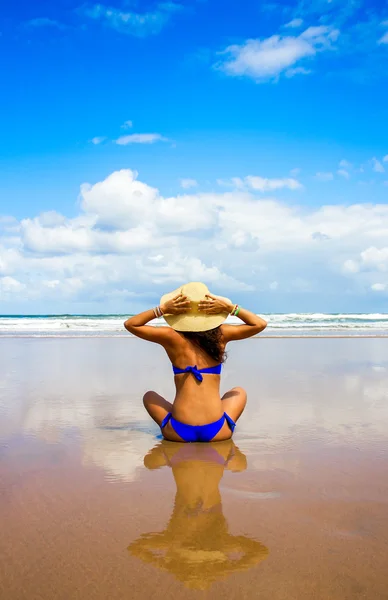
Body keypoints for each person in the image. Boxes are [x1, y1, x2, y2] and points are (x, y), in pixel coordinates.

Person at [124, 281, 267, 442]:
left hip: (178, 432)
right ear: (211, 311)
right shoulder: (221, 334)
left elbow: (131, 324)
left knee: (149, 396)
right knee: (239, 391)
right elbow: (259, 324)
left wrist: (162, 310)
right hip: (217, 431)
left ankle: (178, 424)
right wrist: (229, 308)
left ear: (178, 313)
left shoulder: (171, 337)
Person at [128, 440, 269, 589]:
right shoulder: (182, 540)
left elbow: (135, 548)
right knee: (240, 465)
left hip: (204, 453)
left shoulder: (184, 540)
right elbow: (261, 552)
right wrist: (167, 565)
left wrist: (229, 568)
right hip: (193, 454)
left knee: (240, 465)